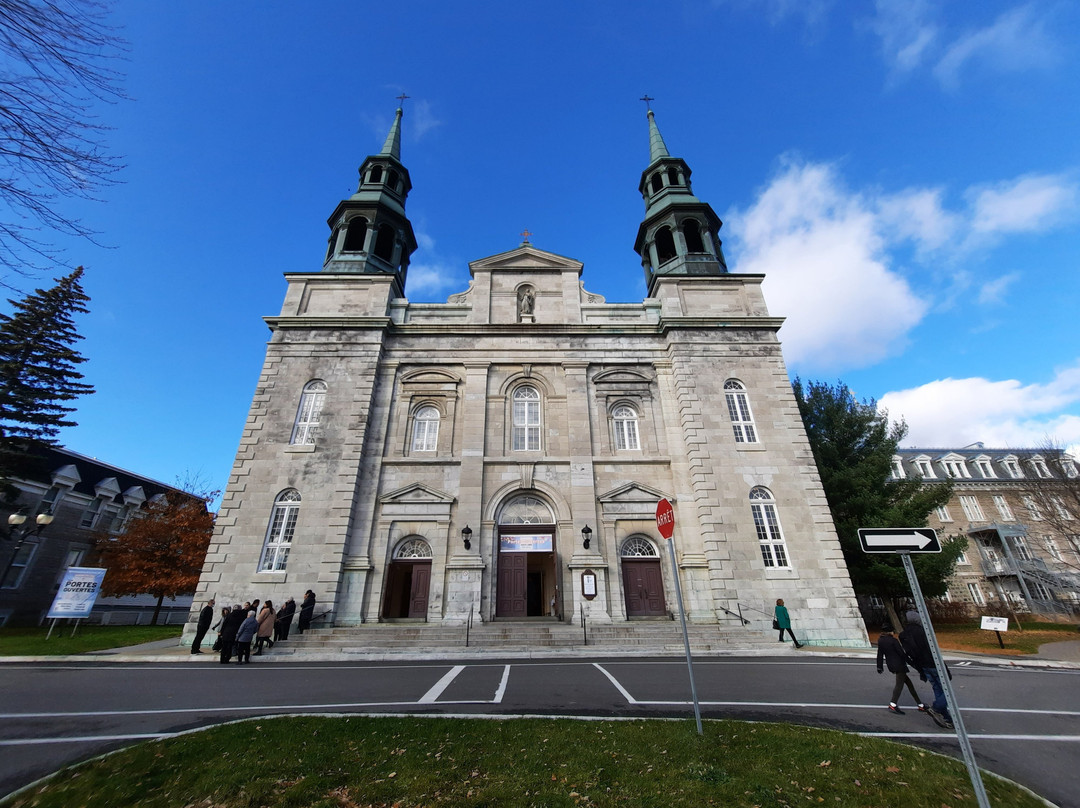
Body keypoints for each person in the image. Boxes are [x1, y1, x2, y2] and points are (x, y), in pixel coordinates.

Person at [900, 612, 953, 729]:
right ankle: (936, 709)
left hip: (923, 666)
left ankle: (947, 718)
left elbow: (909, 654)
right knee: (947, 690)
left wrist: (919, 669)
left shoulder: (903, 635)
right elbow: (932, 649)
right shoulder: (923, 632)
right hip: (934, 663)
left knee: (938, 690)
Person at [877, 624, 926, 715]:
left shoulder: (881, 640)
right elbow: (901, 654)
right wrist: (912, 663)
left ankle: (920, 704)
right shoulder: (893, 641)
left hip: (891, 665)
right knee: (899, 685)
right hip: (899, 665)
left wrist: (879, 666)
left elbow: (880, 654)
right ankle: (893, 703)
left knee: (909, 684)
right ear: (890, 632)